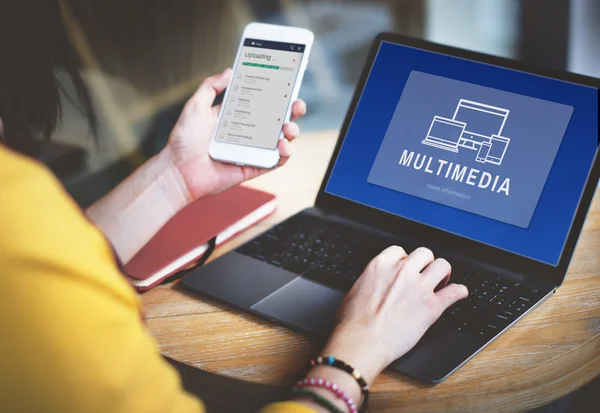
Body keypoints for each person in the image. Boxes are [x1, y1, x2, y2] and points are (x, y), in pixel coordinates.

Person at [0, 2, 468, 413]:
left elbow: (55, 253)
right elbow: (33, 267)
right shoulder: (17, 217)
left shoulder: (21, 208)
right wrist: (361, 347)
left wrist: (176, 176)